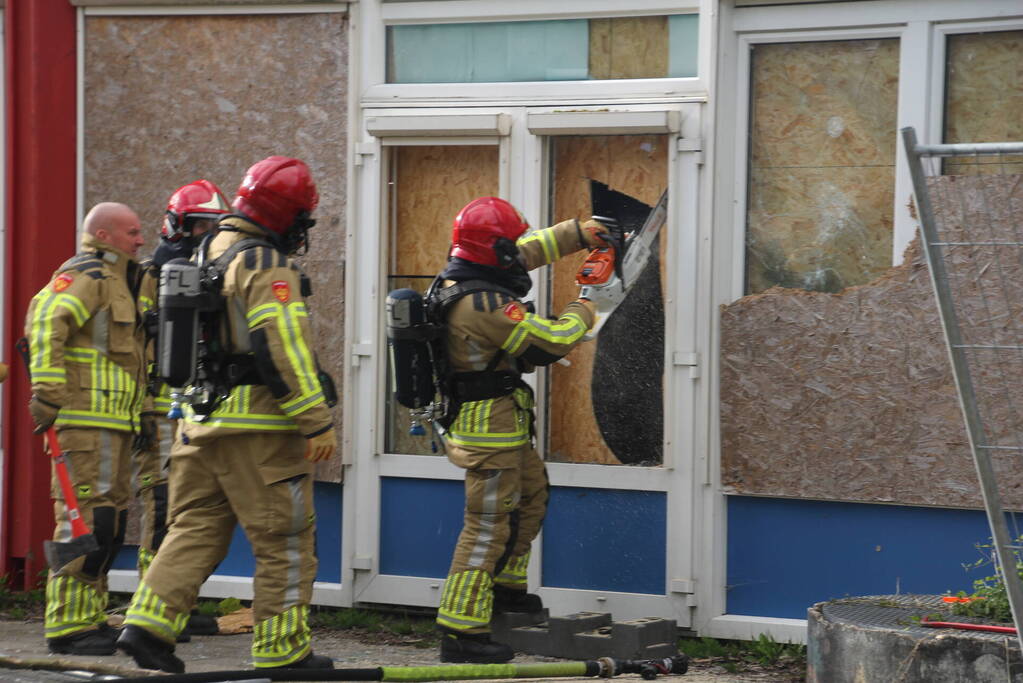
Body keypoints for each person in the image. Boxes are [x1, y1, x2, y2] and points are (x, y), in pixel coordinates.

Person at [117, 156, 338, 674]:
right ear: (287, 215)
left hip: (198, 421)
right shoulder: (265, 262)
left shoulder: (208, 247)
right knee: (284, 539)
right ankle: (284, 653)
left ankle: (147, 626)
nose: (303, 230)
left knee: (194, 527)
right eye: (302, 218)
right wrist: (316, 420)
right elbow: (282, 347)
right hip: (260, 430)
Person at [430, 197, 610, 663]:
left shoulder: (469, 271)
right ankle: (461, 628)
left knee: (532, 494)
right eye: (507, 246)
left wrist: (579, 233)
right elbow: (548, 343)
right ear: (492, 251)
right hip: (485, 433)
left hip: (500, 426)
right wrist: (587, 307)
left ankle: (506, 589)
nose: (517, 254)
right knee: (486, 526)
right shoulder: (481, 303)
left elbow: (523, 250)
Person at [24, 202, 146, 655]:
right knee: (83, 524)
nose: (140, 240)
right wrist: (50, 396)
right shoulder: (88, 276)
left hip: (111, 424)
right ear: (105, 234)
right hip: (82, 424)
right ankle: (67, 625)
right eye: (132, 232)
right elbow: (45, 320)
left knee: (106, 527)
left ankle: (88, 617)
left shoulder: (118, 281)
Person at [134, 180, 230, 639]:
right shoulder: (157, 273)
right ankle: (154, 608)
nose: (204, 235)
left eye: (212, 226)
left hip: (192, 409)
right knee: (161, 506)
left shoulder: (205, 270)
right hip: (156, 409)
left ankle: (175, 603)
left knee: (187, 512)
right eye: (197, 225)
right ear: (175, 225)